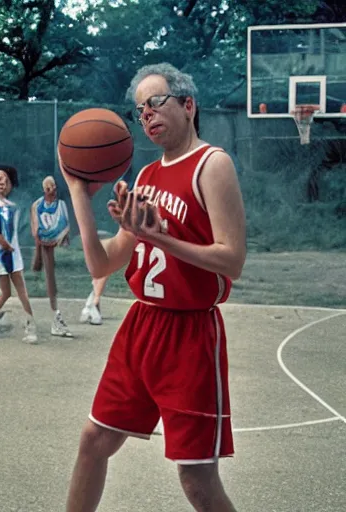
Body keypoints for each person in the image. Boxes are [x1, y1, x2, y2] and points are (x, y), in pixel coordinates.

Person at [61, 63, 246, 512]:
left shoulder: (211, 163)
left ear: (188, 104)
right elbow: (101, 262)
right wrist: (78, 195)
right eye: (139, 110)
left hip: (190, 336)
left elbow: (232, 260)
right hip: (141, 326)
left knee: (197, 478)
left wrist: (159, 236)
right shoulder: (144, 177)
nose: (146, 115)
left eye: (156, 102)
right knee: (94, 441)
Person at [0, 165, 38, 343]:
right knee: (6, 293)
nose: (1, 182)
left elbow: (18, 231)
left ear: (11, 184)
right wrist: (4, 243)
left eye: (4, 179)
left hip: (13, 253)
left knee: (21, 290)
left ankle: (30, 326)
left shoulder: (15, 207)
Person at [30, 175, 74, 338]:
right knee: (47, 278)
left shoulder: (61, 205)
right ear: (44, 190)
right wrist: (42, 241)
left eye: (54, 186)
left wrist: (57, 237)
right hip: (44, 244)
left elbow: (64, 227)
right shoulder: (37, 205)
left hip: (56, 244)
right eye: (48, 188)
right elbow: (37, 230)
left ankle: (56, 316)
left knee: (53, 279)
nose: (52, 190)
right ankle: (52, 316)